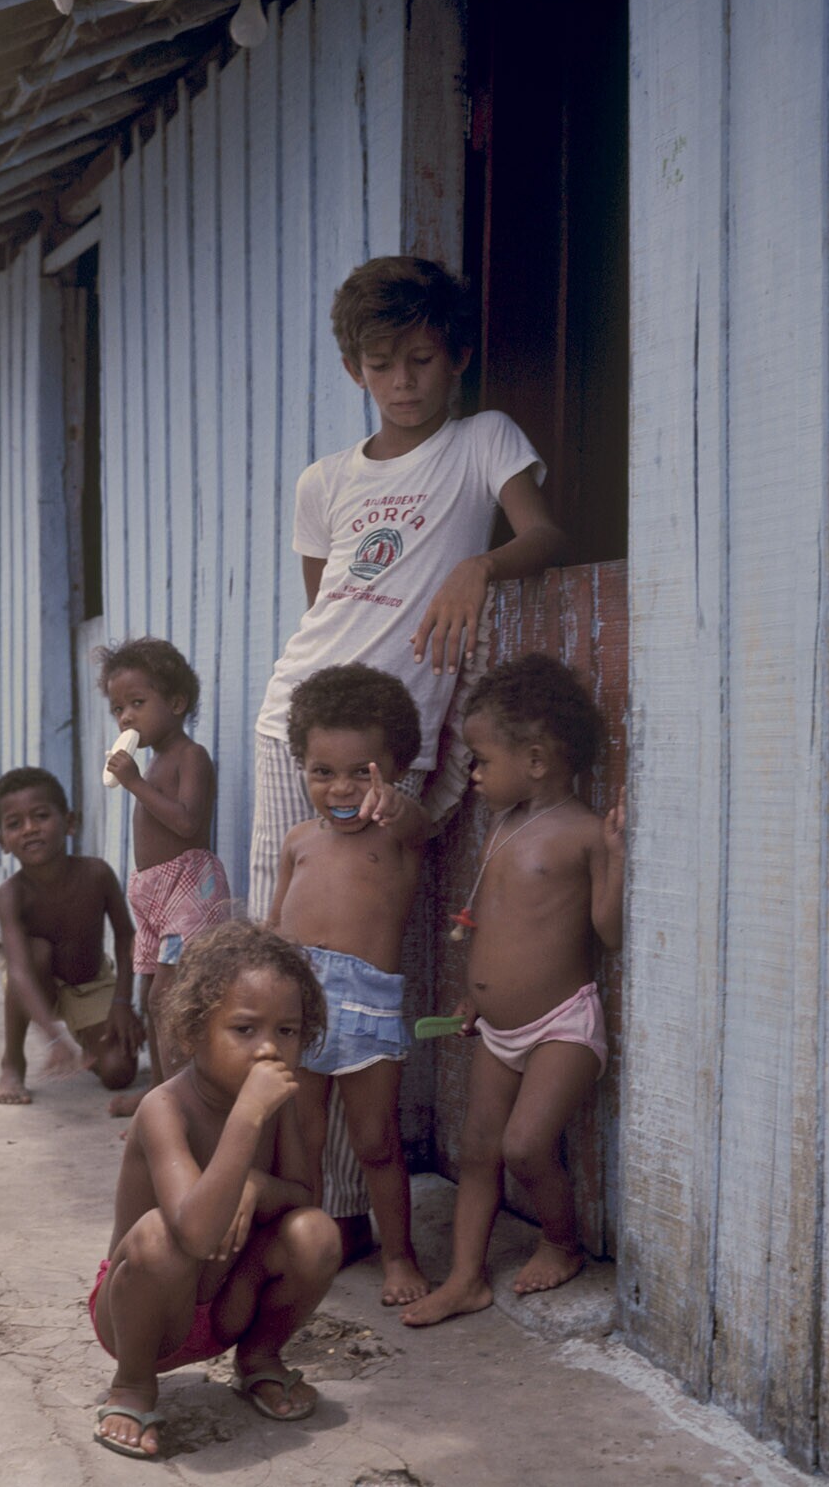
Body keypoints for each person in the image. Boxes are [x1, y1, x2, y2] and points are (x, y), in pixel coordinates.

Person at [250, 254, 568, 1249]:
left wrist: (480, 564)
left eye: (422, 360)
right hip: (297, 730)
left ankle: (347, 1210)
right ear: (354, 369)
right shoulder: (324, 481)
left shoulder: (483, 441)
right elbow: (328, 611)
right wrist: (318, 742)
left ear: (456, 358)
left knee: (360, 958)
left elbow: (544, 533)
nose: (403, 381)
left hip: (399, 744)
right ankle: (277, 1191)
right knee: (281, 957)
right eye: (381, 363)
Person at [401, 654, 624, 1327]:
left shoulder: (584, 834)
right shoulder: (502, 824)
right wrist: (477, 996)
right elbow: (497, 924)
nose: (473, 774)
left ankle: (562, 1241)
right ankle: (465, 1278)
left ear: (535, 761)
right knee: (478, 1149)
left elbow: (608, 933)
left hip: (561, 1025)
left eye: (482, 760)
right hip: (495, 1028)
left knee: (524, 1146)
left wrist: (616, 859)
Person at [89, 920, 340, 1461]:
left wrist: (258, 1184)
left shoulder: (280, 1104)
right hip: (144, 1314)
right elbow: (195, 1234)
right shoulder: (164, 1109)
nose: (268, 1049)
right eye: (244, 1029)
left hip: (229, 1301)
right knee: (158, 1236)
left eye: (287, 1031)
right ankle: (132, 1386)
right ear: (192, 1033)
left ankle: (259, 1359)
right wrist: (247, 1117)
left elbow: (304, 1196)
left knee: (316, 1234)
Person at [268, 664, 430, 1306]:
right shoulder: (298, 841)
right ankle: (307, 1249)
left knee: (376, 1141)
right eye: (322, 771)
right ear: (301, 768)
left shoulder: (399, 838)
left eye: (361, 773)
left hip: (368, 1007)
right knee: (301, 1138)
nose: (340, 788)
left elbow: (417, 822)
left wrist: (396, 804)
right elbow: (277, 928)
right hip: (299, 1001)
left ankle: (399, 1256)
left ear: (394, 770)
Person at [97, 638, 231, 1117]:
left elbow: (188, 822)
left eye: (137, 703)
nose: (126, 718)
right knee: (150, 996)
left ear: (176, 703)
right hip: (155, 894)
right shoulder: (153, 760)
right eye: (118, 709)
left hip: (189, 892)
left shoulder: (190, 756)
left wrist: (134, 783)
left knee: (167, 997)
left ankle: (180, 1107)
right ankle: (160, 1092)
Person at [0, 766, 145, 1105]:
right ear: (3, 842)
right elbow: (19, 971)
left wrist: (122, 1002)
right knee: (34, 954)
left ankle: (90, 1043)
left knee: (119, 1072)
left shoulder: (96, 874)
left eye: (41, 816)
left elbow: (125, 937)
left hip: (89, 982)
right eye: (15, 824)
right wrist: (53, 1038)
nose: (30, 829)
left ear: (70, 822)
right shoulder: (11, 895)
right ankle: (12, 1061)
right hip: (36, 982)